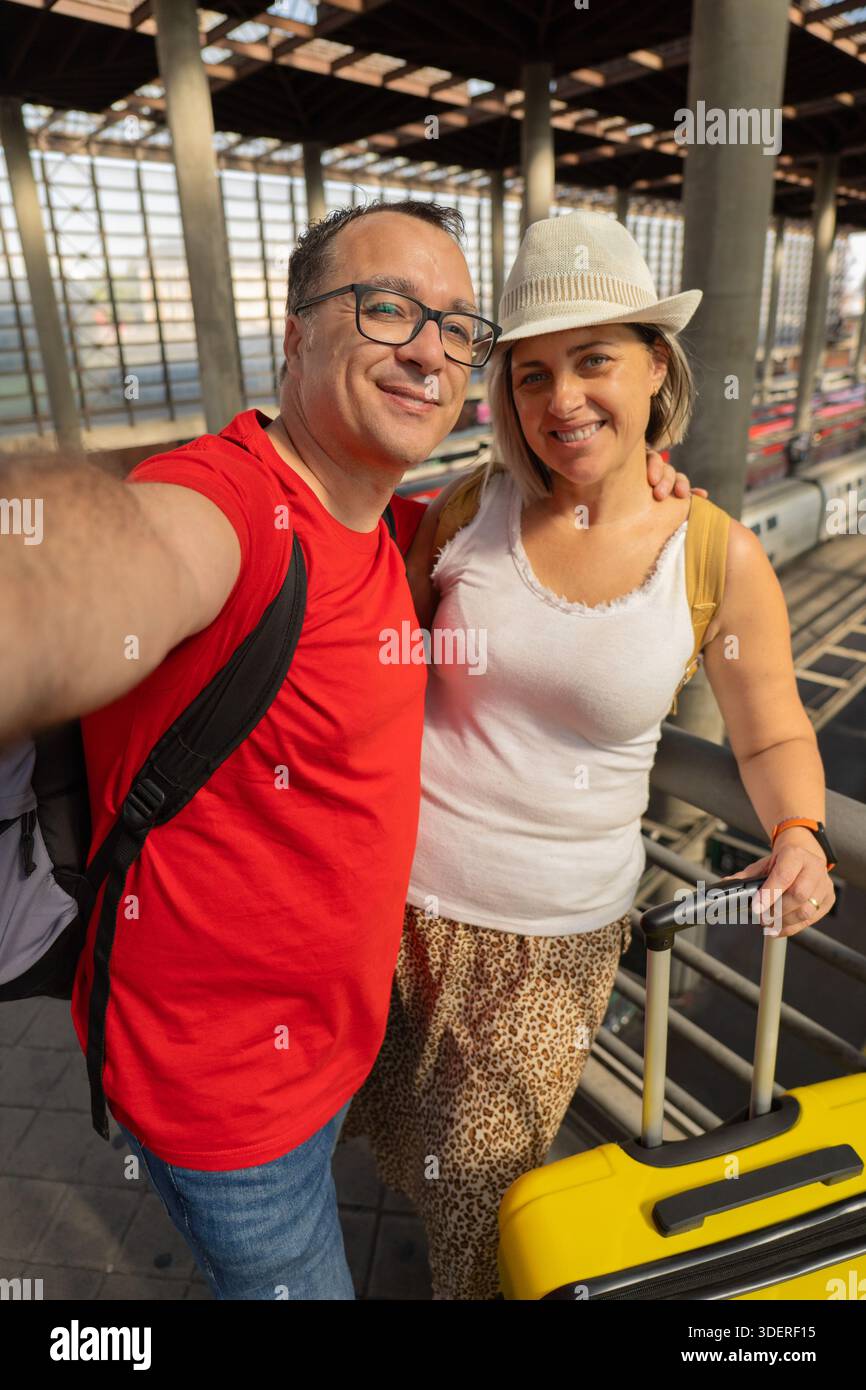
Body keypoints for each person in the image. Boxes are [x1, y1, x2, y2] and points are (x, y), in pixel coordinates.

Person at [0, 200, 694, 1300]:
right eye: (387, 309)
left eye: (458, 328)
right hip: (227, 1104)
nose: (428, 347)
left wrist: (626, 478)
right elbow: (109, 561)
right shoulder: (222, 506)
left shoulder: (403, 528)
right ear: (295, 332)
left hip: (335, 1052)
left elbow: (542, 514)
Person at [339, 209, 837, 1301]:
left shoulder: (709, 551)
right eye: (531, 373)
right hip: (385, 902)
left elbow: (767, 726)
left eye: (594, 360)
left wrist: (797, 831)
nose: (561, 399)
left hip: (550, 945)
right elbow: (373, 654)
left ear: (654, 366)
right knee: (377, 1128)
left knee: (481, 1190)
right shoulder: (469, 508)